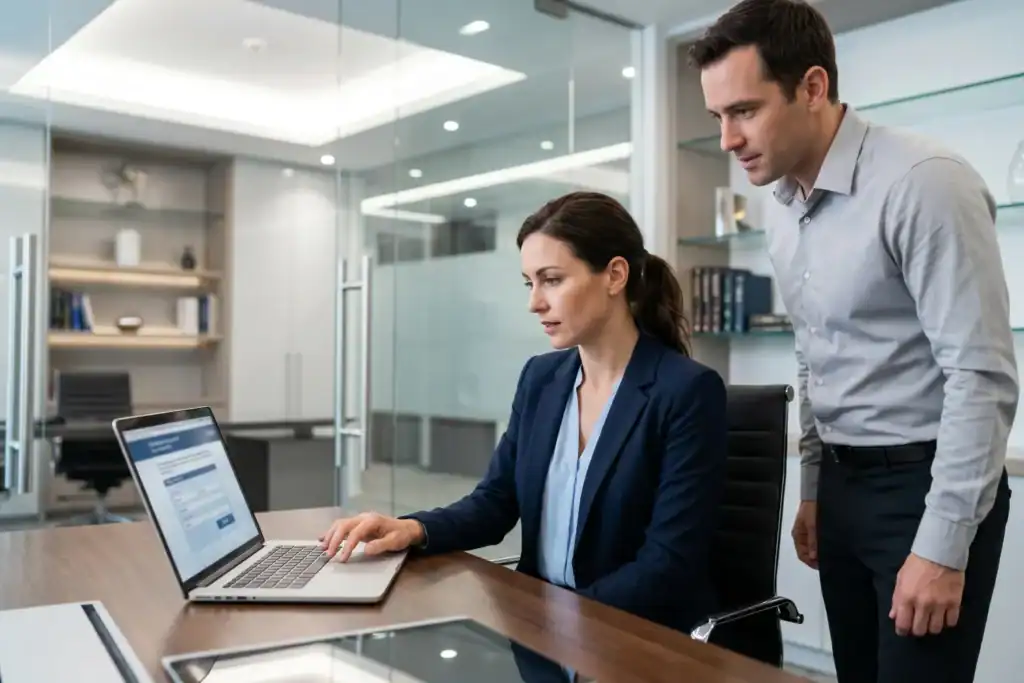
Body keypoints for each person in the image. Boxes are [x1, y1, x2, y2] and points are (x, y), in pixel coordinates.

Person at [690, 1, 1018, 681]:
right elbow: (814, 352)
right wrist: (812, 485)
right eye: (717, 117)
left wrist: (943, 546)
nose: (726, 138)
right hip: (842, 485)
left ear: (812, 87)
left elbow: (980, 376)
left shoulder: (923, 183)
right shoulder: (783, 209)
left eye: (744, 110)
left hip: (927, 489)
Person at [319, 190, 729, 634]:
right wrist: (411, 528)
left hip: (632, 637)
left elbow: (666, 564)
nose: (534, 302)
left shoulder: (687, 391)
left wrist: (555, 621)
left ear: (614, 275)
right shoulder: (542, 379)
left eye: (551, 280)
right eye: (529, 283)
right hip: (543, 628)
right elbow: (494, 504)